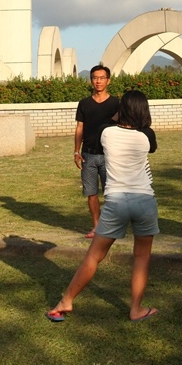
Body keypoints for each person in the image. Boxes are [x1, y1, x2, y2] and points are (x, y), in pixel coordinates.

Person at [47, 89, 159, 323]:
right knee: (141, 257)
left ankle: (66, 301)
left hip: (116, 200)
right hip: (144, 199)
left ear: (122, 110)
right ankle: (136, 309)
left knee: (94, 256)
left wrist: (117, 117)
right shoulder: (146, 135)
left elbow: (101, 133)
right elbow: (151, 146)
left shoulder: (106, 132)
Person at [73, 64, 120, 238]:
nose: (98, 81)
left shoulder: (116, 104)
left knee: (112, 194)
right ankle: (96, 227)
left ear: (108, 80)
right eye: (95, 78)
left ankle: (111, 227)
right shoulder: (84, 104)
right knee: (91, 193)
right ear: (91, 80)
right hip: (88, 155)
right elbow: (79, 128)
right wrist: (76, 151)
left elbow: (123, 128)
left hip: (110, 156)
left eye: (102, 78)